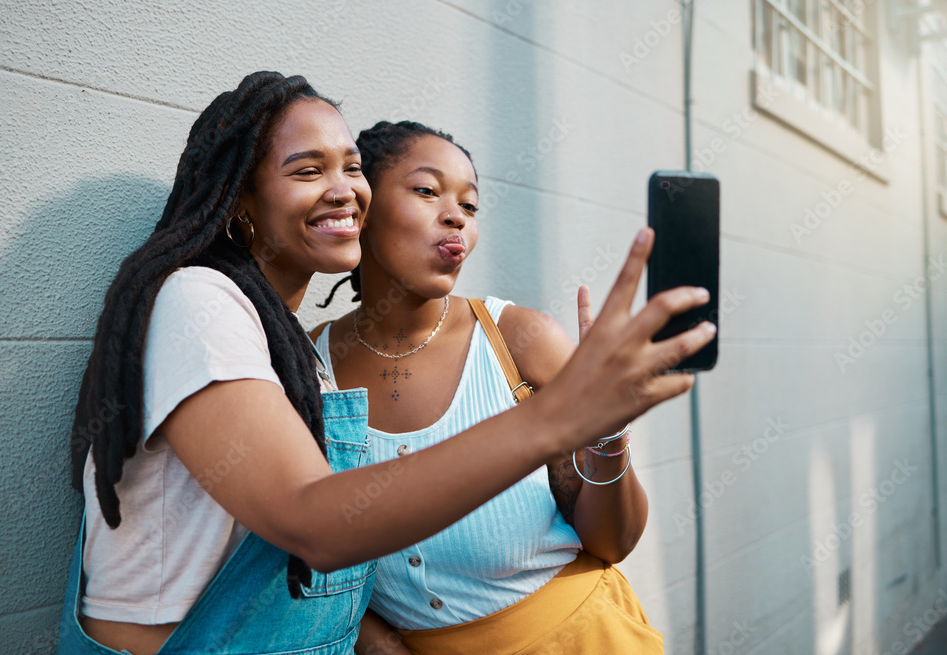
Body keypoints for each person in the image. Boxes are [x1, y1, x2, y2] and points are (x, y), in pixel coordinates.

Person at [58, 71, 714, 655]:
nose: (343, 189)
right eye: (309, 171)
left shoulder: (282, 346)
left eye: (351, 168)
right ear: (240, 201)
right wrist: (559, 416)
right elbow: (314, 521)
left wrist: (600, 431)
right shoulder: (201, 302)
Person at [314, 121, 698, 653]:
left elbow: (613, 543)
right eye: (427, 191)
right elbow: (306, 541)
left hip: (584, 638)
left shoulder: (521, 339)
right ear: (364, 205)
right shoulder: (309, 366)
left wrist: (608, 436)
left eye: (469, 207)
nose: (456, 217)